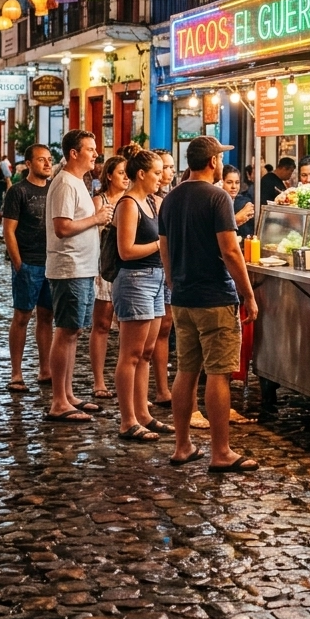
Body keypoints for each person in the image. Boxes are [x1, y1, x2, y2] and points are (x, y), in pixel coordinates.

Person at [159, 135, 259, 471]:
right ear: (213, 161)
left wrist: (173, 281)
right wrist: (248, 294)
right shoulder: (218, 198)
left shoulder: (171, 198)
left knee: (186, 370)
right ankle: (221, 452)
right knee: (218, 373)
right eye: (220, 158)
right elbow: (230, 250)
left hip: (183, 297)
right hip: (215, 296)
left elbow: (164, 247)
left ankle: (182, 446)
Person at [44, 129, 114, 422]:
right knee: (65, 331)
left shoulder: (78, 182)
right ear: (74, 153)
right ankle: (58, 401)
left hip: (83, 267)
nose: (96, 153)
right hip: (69, 267)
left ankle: (68, 393)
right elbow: (62, 227)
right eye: (90, 148)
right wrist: (96, 219)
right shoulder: (64, 183)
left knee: (74, 332)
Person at [113, 149, 172, 440]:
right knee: (131, 354)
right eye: (157, 172)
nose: (161, 178)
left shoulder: (151, 202)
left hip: (156, 279)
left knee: (147, 352)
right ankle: (127, 420)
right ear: (141, 174)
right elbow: (126, 250)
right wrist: (159, 245)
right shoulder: (129, 204)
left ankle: (143, 414)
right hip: (135, 280)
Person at [2, 143, 54, 393]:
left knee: (47, 317)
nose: (47, 163)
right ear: (29, 164)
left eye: (49, 159)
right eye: (41, 159)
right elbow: (8, 230)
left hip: (51, 264)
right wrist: (18, 263)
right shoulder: (18, 191)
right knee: (22, 316)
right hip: (28, 262)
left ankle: (45, 369)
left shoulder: (54, 189)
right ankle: (16, 373)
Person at [89, 155, 130, 399]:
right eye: (121, 172)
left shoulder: (131, 200)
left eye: (127, 173)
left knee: (128, 326)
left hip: (127, 268)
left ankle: (126, 382)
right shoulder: (100, 200)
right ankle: (99, 381)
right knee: (102, 324)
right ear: (109, 176)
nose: (125, 177)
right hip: (105, 266)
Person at [151, 149, 176, 409]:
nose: (167, 173)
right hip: (149, 270)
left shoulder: (170, 196)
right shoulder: (146, 200)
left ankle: (163, 387)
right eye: (162, 169)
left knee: (166, 327)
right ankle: (156, 388)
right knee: (152, 331)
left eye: (169, 168)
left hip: (167, 267)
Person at [222, 165, 255, 238]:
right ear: (221, 182)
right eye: (229, 182)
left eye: (237, 182)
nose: (234, 186)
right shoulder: (217, 204)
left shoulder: (243, 203)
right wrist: (237, 219)